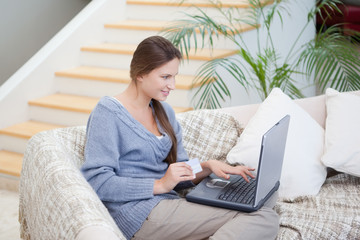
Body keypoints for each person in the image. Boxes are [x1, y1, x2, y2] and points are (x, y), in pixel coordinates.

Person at [81, 35, 279, 240]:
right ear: (140, 74)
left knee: (266, 197)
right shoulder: (108, 113)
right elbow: (97, 182)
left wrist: (208, 166)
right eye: (165, 77)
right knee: (264, 217)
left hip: (170, 205)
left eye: (174, 76)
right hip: (140, 213)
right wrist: (159, 184)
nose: (172, 85)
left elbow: (180, 171)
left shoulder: (164, 112)